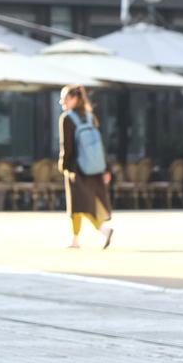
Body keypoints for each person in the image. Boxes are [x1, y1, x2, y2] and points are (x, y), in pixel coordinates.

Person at [58, 84, 115, 249]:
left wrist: (63, 165)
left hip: (77, 168)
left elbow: (66, 145)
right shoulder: (91, 117)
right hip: (95, 168)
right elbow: (101, 145)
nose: (62, 102)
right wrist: (106, 168)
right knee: (78, 205)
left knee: (81, 205)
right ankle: (75, 239)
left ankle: (104, 229)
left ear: (75, 99)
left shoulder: (67, 118)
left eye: (65, 98)